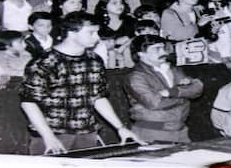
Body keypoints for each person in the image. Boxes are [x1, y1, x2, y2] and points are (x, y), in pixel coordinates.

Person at [19, 12, 141, 155]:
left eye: (97, 32)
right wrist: (48, 136)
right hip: (53, 135)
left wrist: (120, 128)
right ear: (72, 33)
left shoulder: (94, 60)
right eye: (91, 33)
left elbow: (98, 98)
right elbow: (29, 102)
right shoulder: (45, 61)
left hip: (87, 134)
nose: (97, 37)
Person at [124, 35, 204, 143]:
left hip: (180, 130)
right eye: (157, 49)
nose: (164, 52)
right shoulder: (136, 76)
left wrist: (172, 92)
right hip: (153, 133)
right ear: (141, 54)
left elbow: (198, 88)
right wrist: (184, 95)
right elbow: (154, 103)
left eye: (163, 48)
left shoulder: (172, 69)